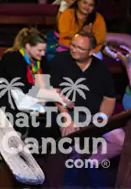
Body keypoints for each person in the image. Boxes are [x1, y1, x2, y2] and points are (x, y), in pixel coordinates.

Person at [50, 31, 119, 186]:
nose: (75, 50)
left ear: (91, 51)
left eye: (81, 48)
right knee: (77, 145)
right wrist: (67, 118)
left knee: (119, 140)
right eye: (73, 46)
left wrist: (102, 119)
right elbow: (55, 92)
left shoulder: (101, 69)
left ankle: (92, 163)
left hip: (95, 115)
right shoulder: (60, 60)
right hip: (69, 113)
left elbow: (109, 98)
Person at [0, 28, 66, 141]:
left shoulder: (40, 60)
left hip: (33, 98)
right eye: (39, 50)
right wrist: (48, 95)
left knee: (54, 114)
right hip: (11, 100)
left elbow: (45, 82)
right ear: (28, 46)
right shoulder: (13, 58)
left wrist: (52, 95)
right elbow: (21, 86)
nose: (43, 54)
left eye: (44, 50)